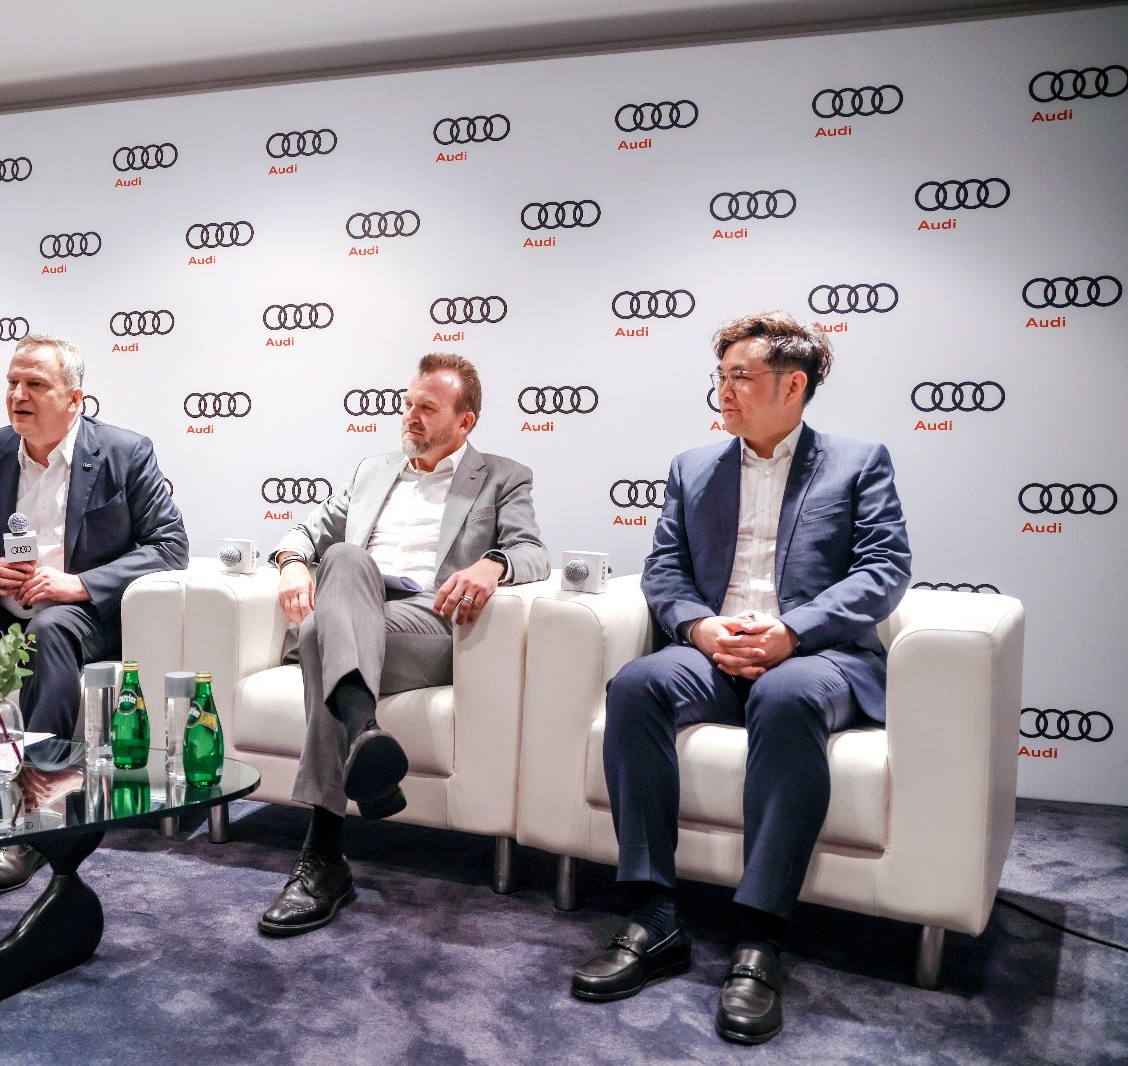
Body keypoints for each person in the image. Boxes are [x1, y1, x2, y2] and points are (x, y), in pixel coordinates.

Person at [572, 312, 910, 1045]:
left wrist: (794, 631)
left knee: (787, 696)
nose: (723, 392)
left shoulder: (858, 462)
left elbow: (884, 571)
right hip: (714, 649)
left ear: (793, 386)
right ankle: (654, 915)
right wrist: (699, 627)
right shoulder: (693, 467)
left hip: (815, 655)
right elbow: (664, 570)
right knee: (635, 685)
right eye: (720, 377)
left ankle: (760, 936)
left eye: (740, 377)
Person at [258, 352, 550, 936]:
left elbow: (533, 552)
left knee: (318, 632)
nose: (410, 416)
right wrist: (290, 561)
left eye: (427, 408)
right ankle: (363, 737)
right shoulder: (374, 470)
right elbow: (308, 531)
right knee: (340, 567)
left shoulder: (502, 476)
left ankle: (324, 853)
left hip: (428, 621)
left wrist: (492, 564)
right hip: (357, 608)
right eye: (407, 403)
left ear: (464, 421)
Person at [0, 332, 188, 896]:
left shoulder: (124, 452)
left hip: (79, 615)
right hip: (1, 611)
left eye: (34, 384)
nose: (17, 395)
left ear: (74, 399)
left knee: (50, 629)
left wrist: (81, 584)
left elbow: (170, 545)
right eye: (12, 382)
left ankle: (29, 822)